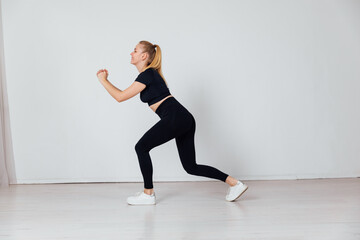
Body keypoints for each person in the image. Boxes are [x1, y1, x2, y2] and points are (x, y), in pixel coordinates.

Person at [96, 40, 248, 205]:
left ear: (143, 55)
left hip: (176, 117)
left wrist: (103, 80)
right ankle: (235, 184)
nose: (131, 53)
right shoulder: (150, 74)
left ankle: (148, 194)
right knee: (191, 167)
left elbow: (120, 97)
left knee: (141, 147)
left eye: (135, 50)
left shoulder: (147, 74)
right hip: (183, 118)